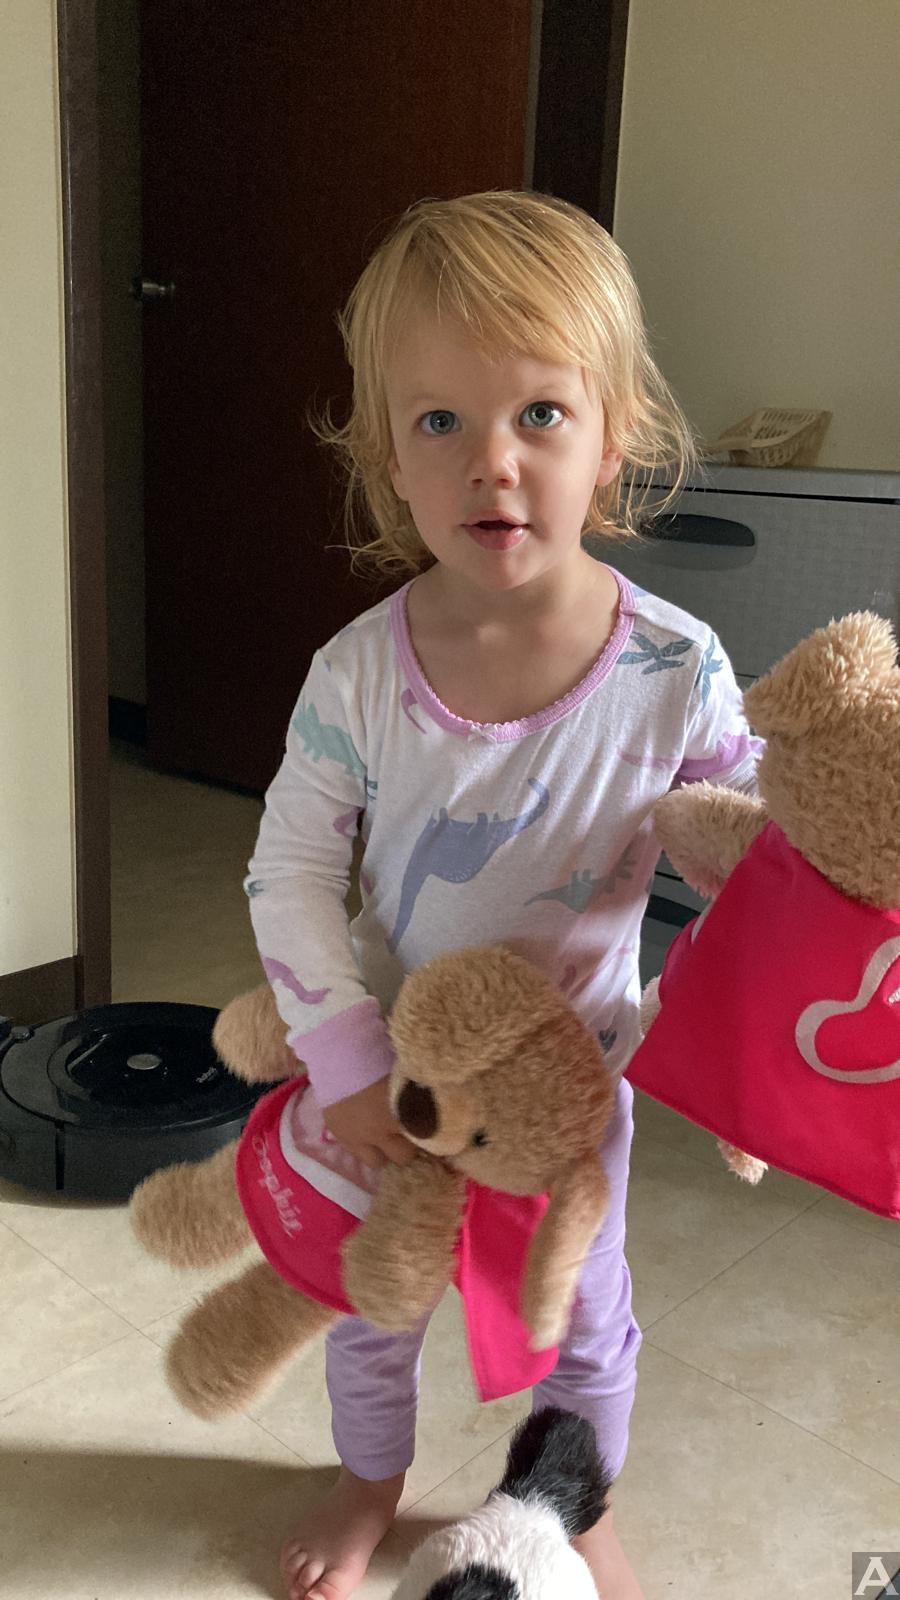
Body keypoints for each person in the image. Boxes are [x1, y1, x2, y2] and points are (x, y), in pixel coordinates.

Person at [244, 190, 761, 1600]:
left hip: (577, 1093)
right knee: (377, 1306)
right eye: (440, 421)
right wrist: (347, 1059)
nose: (494, 461)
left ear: (613, 438)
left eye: (540, 413)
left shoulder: (677, 669)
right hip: (398, 1088)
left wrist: (747, 1024)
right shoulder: (358, 675)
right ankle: (370, 1480)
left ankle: (570, 1506)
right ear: (386, 459)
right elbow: (290, 868)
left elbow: (748, 862)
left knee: (584, 1321)